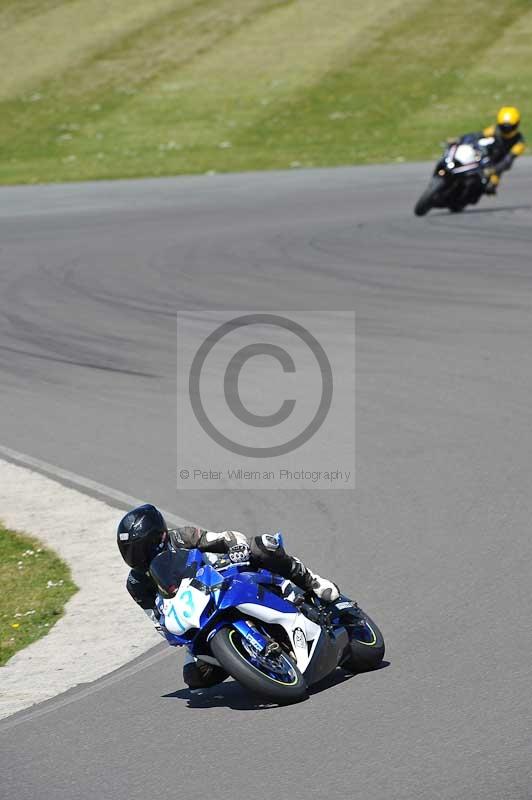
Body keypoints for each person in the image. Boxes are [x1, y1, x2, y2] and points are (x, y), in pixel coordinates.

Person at [117, 504, 340, 689]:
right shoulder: (136, 584)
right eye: (130, 552)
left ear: (160, 535)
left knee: (262, 546)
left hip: (225, 578)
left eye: (141, 549)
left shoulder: (182, 537)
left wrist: (237, 547)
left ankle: (312, 581)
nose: (137, 558)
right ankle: (246, 659)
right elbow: (156, 619)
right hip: (197, 613)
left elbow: (225, 538)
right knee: (194, 677)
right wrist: (169, 630)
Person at [479, 106, 525, 194]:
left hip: (497, 163)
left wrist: (493, 170)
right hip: (484, 155)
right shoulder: (495, 130)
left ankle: (492, 183)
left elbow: (507, 161)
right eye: (504, 127)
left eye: (509, 127)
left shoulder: (519, 142)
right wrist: (460, 139)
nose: (506, 130)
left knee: (490, 186)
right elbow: (477, 135)